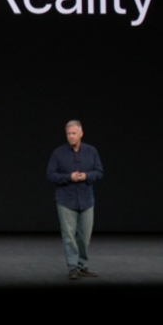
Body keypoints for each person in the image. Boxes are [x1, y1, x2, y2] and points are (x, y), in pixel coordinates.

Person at [47, 119, 104, 279]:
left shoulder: (91, 151)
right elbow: (51, 175)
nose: (71, 136)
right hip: (66, 200)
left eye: (74, 133)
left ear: (81, 133)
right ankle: (72, 267)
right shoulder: (58, 153)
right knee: (69, 237)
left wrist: (86, 176)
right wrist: (69, 177)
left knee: (84, 236)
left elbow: (99, 172)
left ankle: (82, 265)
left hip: (86, 200)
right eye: (68, 133)